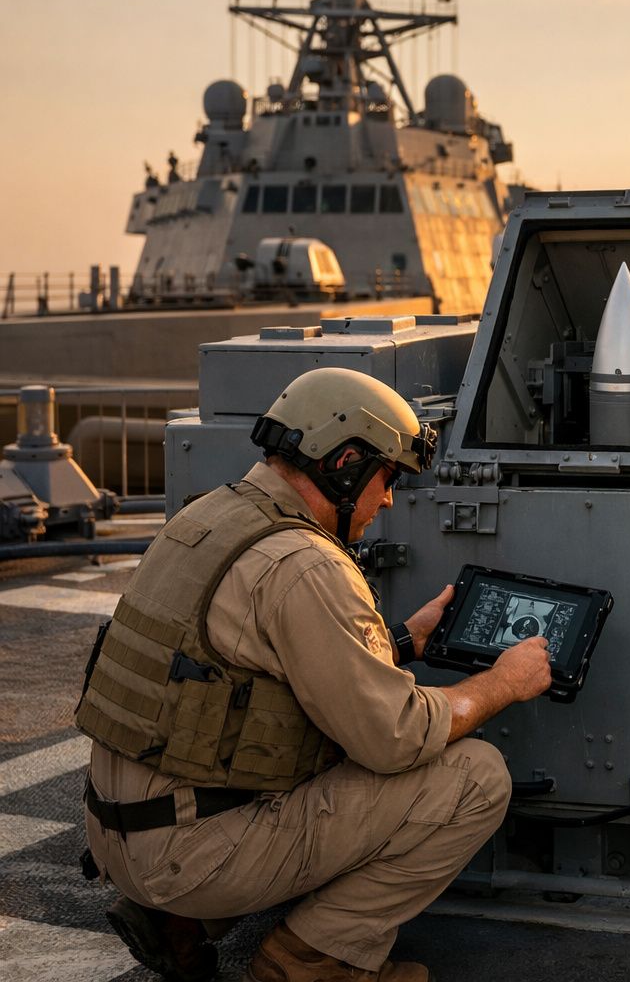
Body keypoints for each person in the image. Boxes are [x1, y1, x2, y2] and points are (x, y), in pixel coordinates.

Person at [76, 367, 553, 982]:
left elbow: (255, 690)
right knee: (475, 778)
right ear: (345, 463)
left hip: (122, 835)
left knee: (331, 738)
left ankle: (181, 924)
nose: (386, 501)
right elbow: (395, 737)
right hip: (185, 855)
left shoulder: (207, 518)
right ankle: (312, 963)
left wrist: (405, 641)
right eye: (386, 480)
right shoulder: (305, 565)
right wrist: (502, 684)